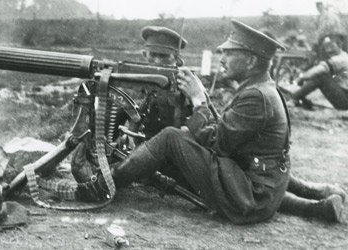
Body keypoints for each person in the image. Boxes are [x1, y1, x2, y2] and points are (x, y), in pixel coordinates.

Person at [78, 19, 292, 224]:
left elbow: (219, 144)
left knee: (172, 137)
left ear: (251, 61)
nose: (222, 60)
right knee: (178, 140)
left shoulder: (256, 96)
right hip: (256, 188)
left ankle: (100, 186)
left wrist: (199, 101)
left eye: (229, 54)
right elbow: (225, 135)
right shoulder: (261, 89)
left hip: (249, 197)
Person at [286, 34, 348, 110]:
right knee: (320, 76)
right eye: (326, 46)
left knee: (321, 77)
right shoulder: (343, 55)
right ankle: (299, 98)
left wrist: (301, 77)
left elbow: (319, 70)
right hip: (347, 97)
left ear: (339, 46)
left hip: (346, 101)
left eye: (331, 46)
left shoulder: (339, 60)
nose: (329, 49)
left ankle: (294, 98)